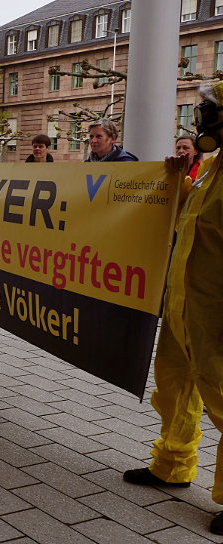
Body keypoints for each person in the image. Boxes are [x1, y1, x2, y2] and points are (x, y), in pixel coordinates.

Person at [123, 80, 223, 536]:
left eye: (210, 109)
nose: (201, 119)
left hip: (217, 310)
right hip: (186, 303)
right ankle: (172, 465)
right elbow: (191, 220)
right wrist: (174, 180)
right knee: (175, 386)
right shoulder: (212, 168)